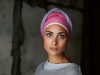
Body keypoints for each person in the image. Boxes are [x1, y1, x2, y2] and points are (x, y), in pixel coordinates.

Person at [34, 8, 82, 75]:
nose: (54, 42)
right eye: (49, 34)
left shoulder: (72, 72)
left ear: (68, 39)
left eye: (61, 36)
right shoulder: (40, 68)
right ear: (43, 35)